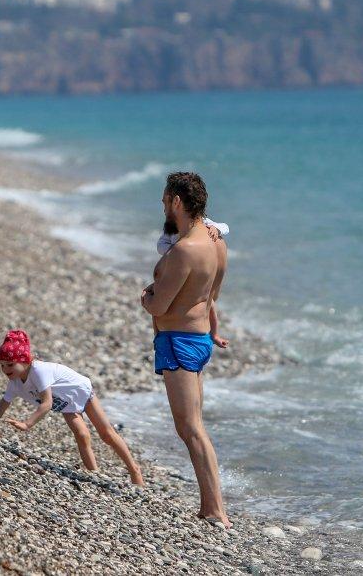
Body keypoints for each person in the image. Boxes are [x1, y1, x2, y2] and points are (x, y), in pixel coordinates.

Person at [140, 171, 231, 528]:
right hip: (198, 339)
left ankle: (216, 509)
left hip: (179, 342)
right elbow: (211, 297)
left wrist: (146, 296)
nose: (163, 207)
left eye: (165, 201)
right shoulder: (216, 244)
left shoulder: (183, 251)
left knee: (190, 428)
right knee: (193, 426)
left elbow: (159, 306)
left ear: (177, 201)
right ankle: (210, 505)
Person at [0, 330, 144, 486]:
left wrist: (27, 424)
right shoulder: (15, 383)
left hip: (79, 390)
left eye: (10, 365)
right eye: (2, 365)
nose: (5, 370)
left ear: (25, 361)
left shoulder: (38, 370)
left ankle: (134, 470)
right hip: (64, 404)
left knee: (106, 434)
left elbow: (47, 403)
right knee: (81, 434)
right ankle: (94, 474)